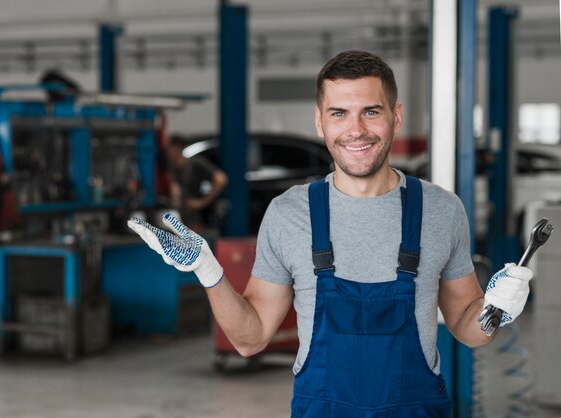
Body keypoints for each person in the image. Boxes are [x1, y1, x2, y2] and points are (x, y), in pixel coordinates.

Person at [128, 50, 533, 417]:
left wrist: (494, 310)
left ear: (397, 116)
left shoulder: (441, 210)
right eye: (339, 113)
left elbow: (468, 330)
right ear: (319, 121)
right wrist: (209, 272)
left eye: (371, 112)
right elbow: (250, 340)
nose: (356, 130)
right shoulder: (289, 214)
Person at [164, 134, 228, 234]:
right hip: (172, 217)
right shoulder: (168, 168)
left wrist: (202, 202)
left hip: (191, 219)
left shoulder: (195, 164)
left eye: (170, 149)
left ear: (178, 148)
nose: (167, 153)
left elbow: (221, 179)